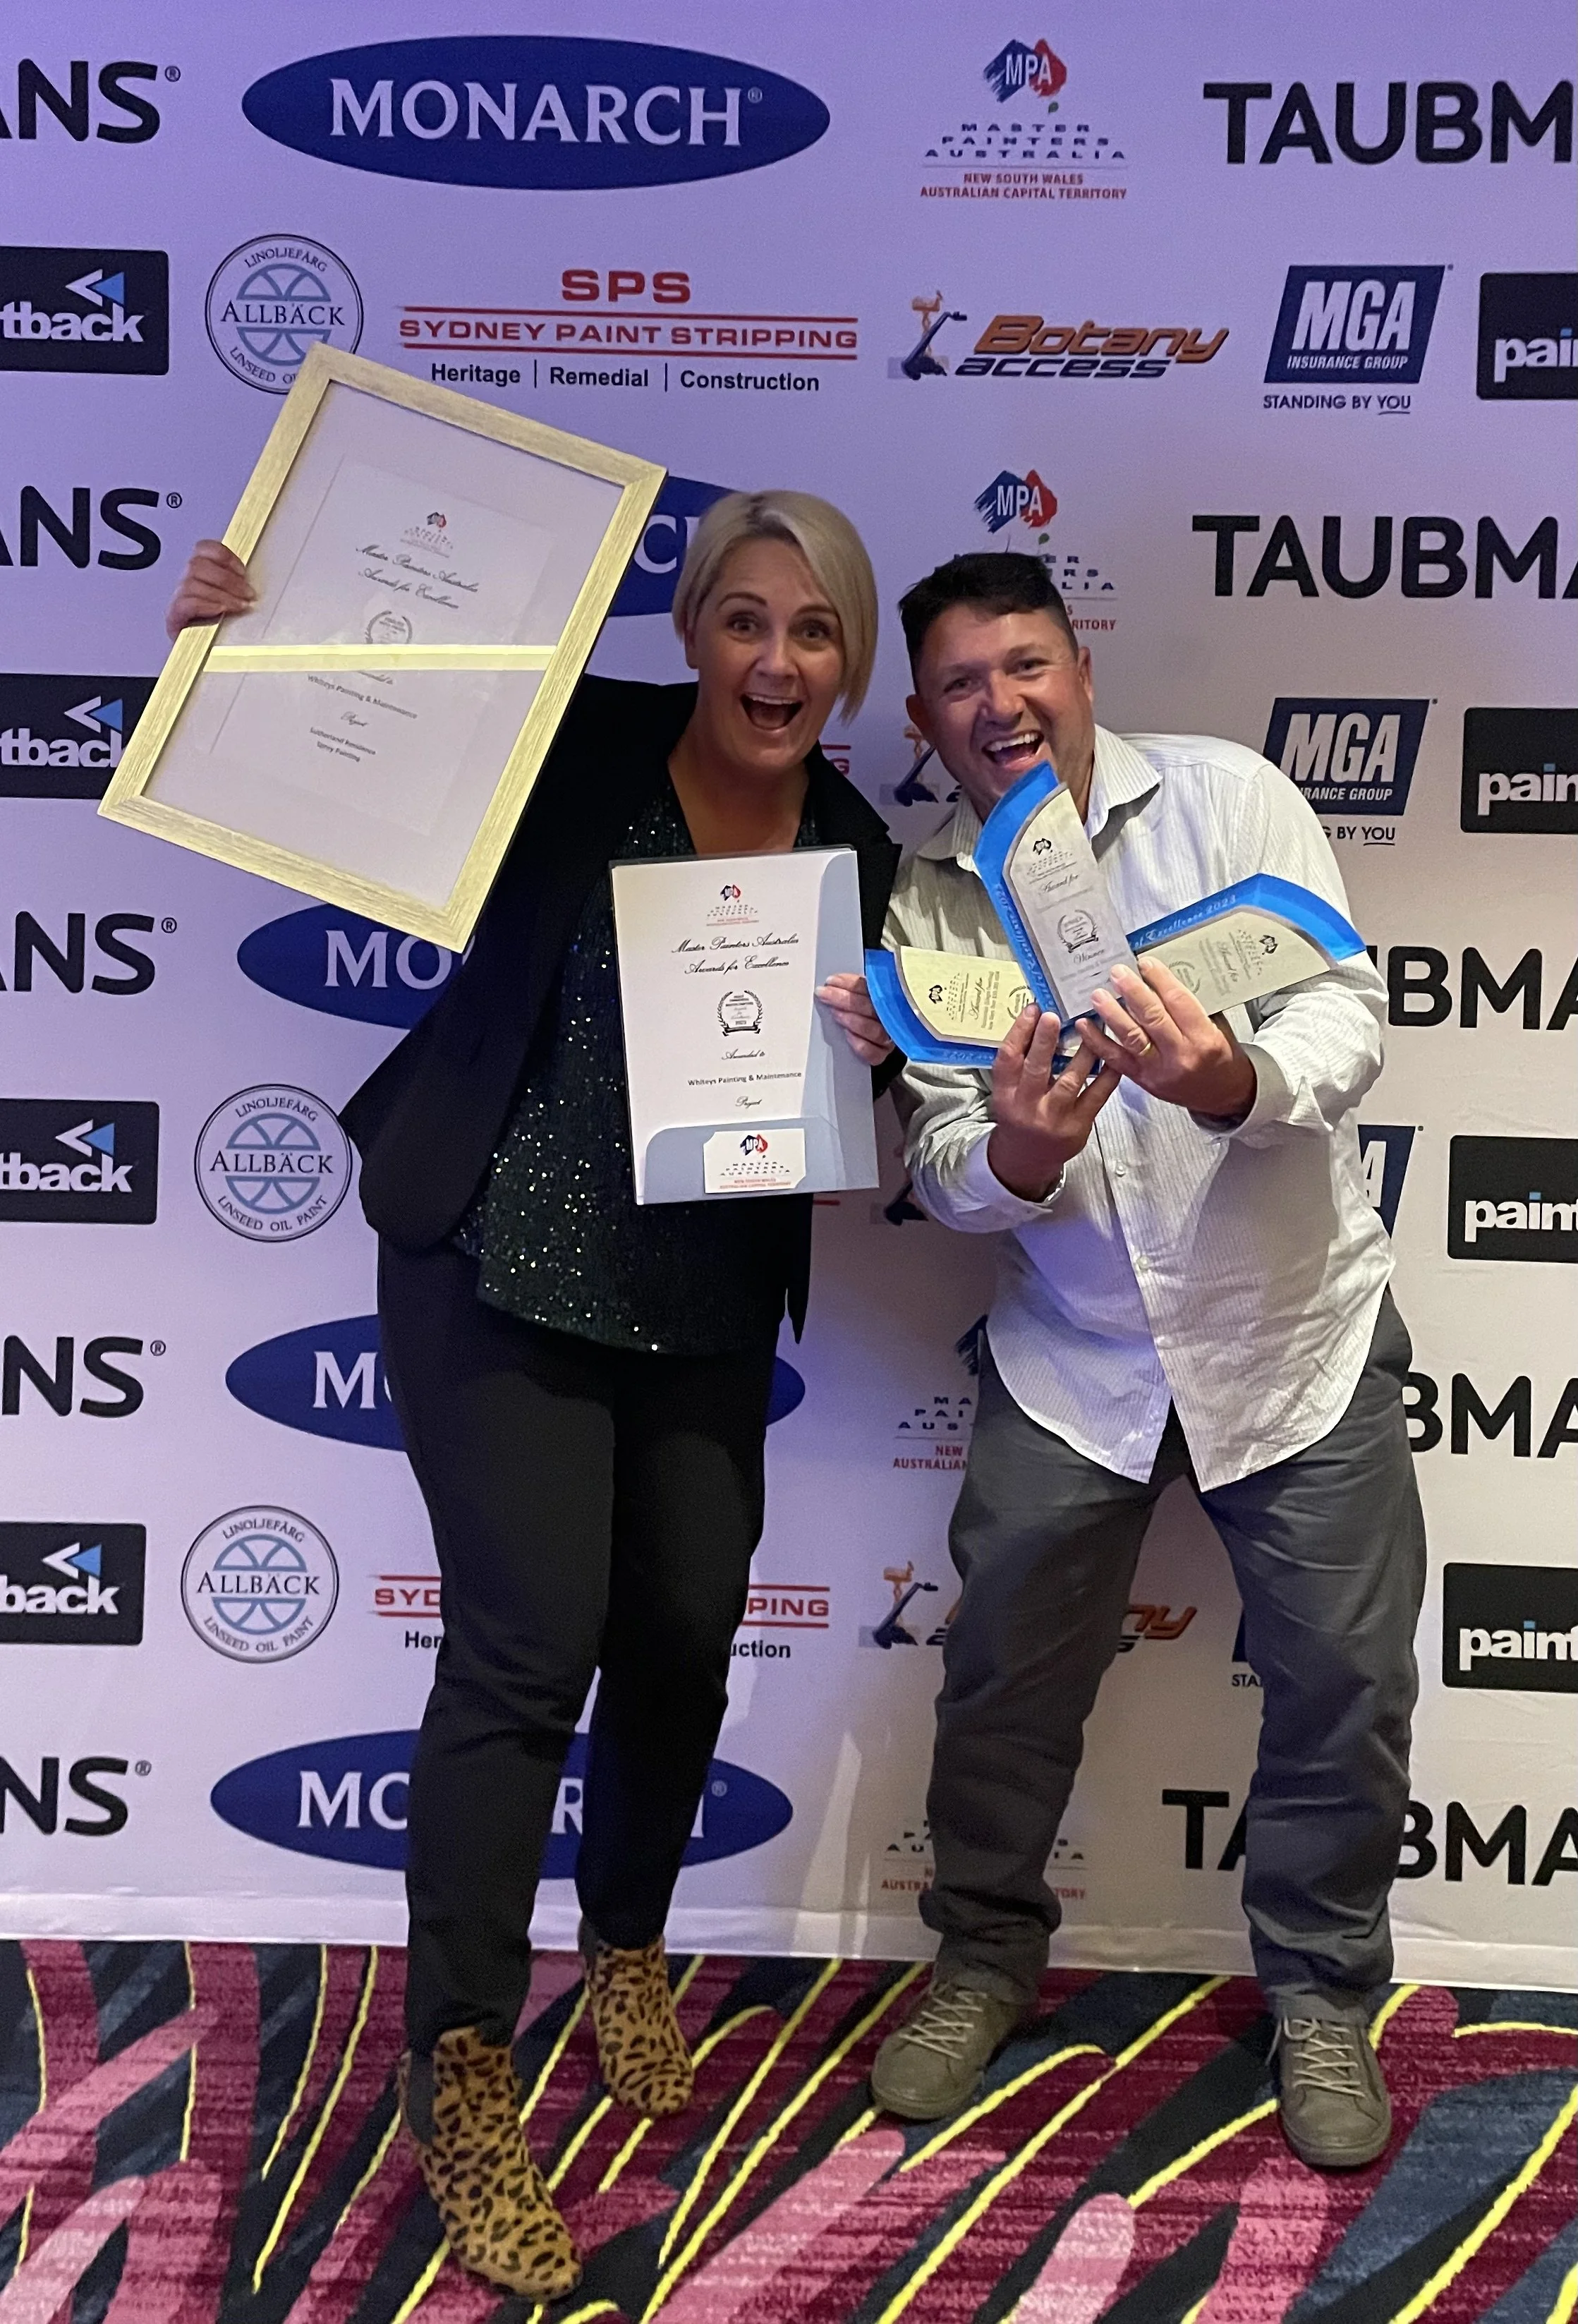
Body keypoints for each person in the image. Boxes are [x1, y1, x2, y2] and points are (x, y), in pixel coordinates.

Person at [166, 493, 899, 2298]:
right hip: (496, 1257)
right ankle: (464, 2067)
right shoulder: (577, 744)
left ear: (849, 663)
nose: (775, 660)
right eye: (743, 620)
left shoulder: (859, 847)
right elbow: (361, 737)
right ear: (692, 633)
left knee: (683, 1630)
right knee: (523, 1649)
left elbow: (859, 1093)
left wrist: (868, 1069)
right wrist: (245, 638)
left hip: (700, 1296)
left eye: (811, 631)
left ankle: (626, 1948)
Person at [861, 553, 1425, 2174]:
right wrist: (1022, 1150)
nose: (998, 704)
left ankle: (1319, 1994)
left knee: (1342, 1687)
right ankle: (982, 1959)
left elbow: (1348, 1015)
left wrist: (1227, 1077)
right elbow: (948, 1165)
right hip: (1077, 1359)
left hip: (1290, 1336)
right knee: (1000, 1682)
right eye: (959, 684)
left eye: (1023, 665)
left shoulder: (1227, 799)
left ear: (1080, 669)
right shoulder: (929, 903)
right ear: (923, 719)